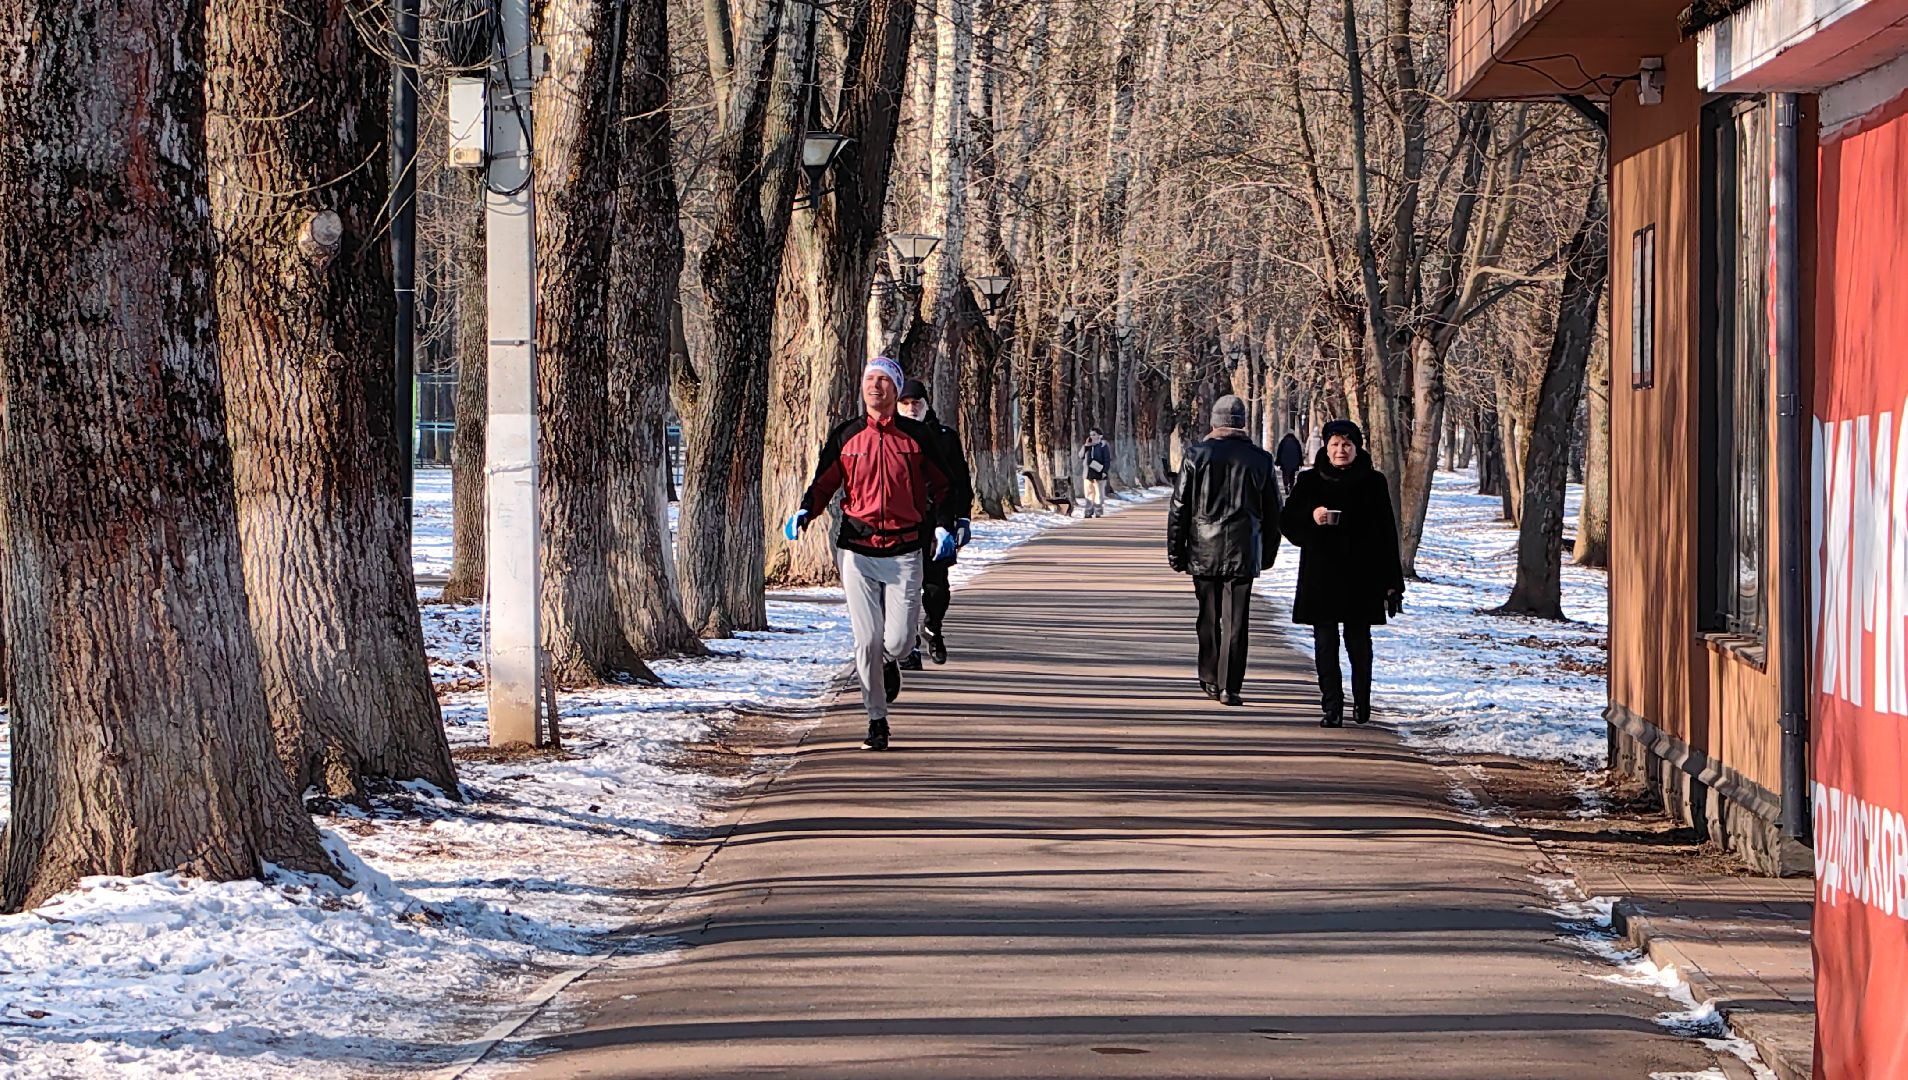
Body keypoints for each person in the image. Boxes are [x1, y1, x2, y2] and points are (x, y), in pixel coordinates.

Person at [787, 357, 960, 750]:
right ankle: (876, 719)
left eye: (884, 380)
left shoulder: (918, 438)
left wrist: (943, 525)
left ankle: (890, 659)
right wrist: (805, 511)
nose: (875, 386)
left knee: (898, 642)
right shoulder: (846, 436)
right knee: (865, 639)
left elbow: (944, 487)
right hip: (857, 549)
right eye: (869, 379)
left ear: (896, 390)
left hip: (904, 549)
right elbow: (824, 482)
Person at [1278, 419, 1405, 728]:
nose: (1340, 450)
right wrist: (1312, 518)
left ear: (1356, 447)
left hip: (1362, 577)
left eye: (1346, 445)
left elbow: (1387, 533)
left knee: (1358, 642)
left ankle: (1362, 700)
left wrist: (1392, 583)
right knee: (1324, 642)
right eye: (1334, 444)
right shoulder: (1310, 481)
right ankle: (1331, 707)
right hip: (1321, 575)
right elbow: (1288, 523)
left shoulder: (1373, 482)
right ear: (1326, 446)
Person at [1167, 395, 1283, 707]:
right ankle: (1231, 685)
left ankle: (1209, 677)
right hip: (1244, 550)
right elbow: (1274, 513)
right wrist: (1267, 553)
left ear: (1214, 423)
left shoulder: (1197, 455)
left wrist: (1176, 552)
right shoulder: (1260, 459)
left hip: (1204, 549)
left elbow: (1179, 508)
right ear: (1243, 423)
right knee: (1237, 621)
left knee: (1208, 616)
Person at [896, 378, 973, 668]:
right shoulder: (890, 437)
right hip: (901, 523)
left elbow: (961, 482)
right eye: (905, 403)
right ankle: (909, 648)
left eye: (916, 403)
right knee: (904, 587)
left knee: (935, 586)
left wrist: (963, 518)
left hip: (939, 522)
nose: (911, 408)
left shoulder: (944, 437)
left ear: (926, 405)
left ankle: (933, 627)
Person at [1080, 428, 1112, 517]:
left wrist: (1105, 471)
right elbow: (1080, 456)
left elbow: (1107, 460)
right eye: (1091, 435)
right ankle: (1088, 511)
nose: (1092, 436)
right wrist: (1086, 446)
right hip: (1087, 473)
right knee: (1088, 493)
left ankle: (1098, 511)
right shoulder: (1087, 446)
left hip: (1099, 472)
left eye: (1094, 434)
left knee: (1098, 493)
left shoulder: (1103, 446)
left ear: (1099, 436)